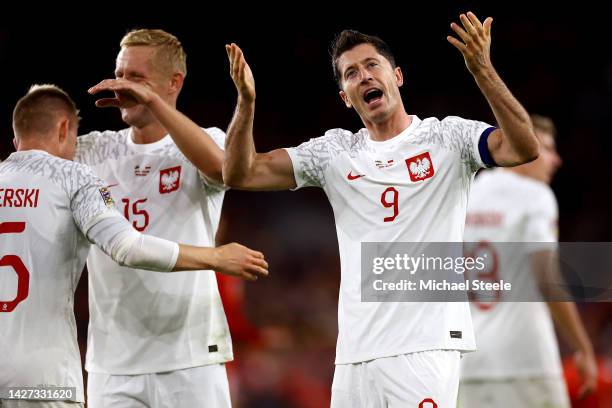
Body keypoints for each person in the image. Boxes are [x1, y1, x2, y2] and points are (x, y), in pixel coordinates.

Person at [223, 12, 540, 407]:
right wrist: (246, 102)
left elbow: (524, 147)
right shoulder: (334, 152)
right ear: (345, 97)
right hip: (355, 354)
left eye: (372, 65)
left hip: (425, 345)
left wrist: (482, 71)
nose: (365, 76)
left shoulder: (448, 137)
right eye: (351, 73)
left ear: (398, 76)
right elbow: (242, 172)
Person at [0, 85, 267, 408]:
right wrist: (215, 256)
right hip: (43, 375)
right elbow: (127, 247)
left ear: (16, 140)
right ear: (63, 129)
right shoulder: (76, 177)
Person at [73, 29, 238, 407]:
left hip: (191, 359)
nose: (121, 86)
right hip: (112, 366)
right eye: (119, 74)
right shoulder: (94, 151)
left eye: (136, 78)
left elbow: (222, 170)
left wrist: (152, 101)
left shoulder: (207, 140)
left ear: (173, 82)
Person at [459, 114, 597, 407]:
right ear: (520, 146)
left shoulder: (466, 193)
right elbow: (547, 278)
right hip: (525, 362)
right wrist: (583, 347)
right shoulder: (535, 195)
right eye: (546, 148)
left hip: (467, 365)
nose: (555, 159)